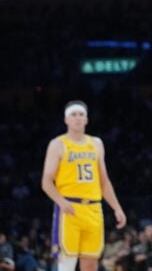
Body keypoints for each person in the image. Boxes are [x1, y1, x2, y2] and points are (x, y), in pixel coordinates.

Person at [41, 101, 127, 271]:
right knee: (67, 262)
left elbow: (104, 181)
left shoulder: (96, 143)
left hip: (94, 209)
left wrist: (117, 208)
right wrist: (61, 202)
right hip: (70, 209)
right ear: (66, 119)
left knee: (91, 264)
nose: (78, 118)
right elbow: (46, 181)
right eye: (73, 115)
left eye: (81, 114)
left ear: (87, 119)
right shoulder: (58, 144)